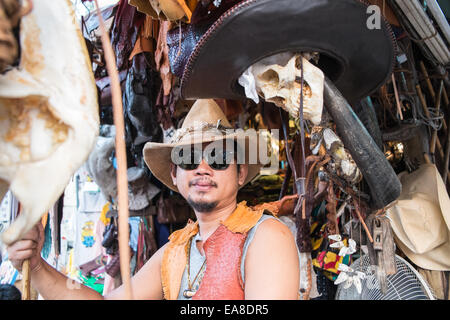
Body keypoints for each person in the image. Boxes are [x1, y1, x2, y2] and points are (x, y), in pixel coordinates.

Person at [6, 99, 300, 300]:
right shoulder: (176, 249)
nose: (202, 167)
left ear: (240, 174)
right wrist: (34, 265)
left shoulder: (264, 236)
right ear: (175, 174)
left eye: (219, 157)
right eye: (188, 157)